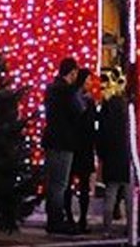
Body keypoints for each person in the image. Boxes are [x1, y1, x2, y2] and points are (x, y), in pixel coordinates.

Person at [42, 56, 82, 234]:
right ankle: (56, 221)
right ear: (72, 72)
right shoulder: (67, 92)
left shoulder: (51, 89)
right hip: (64, 141)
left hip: (51, 139)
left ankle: (52, 217)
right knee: (60, 184)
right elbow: (79, 110)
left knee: (52, 183)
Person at [97, 67, 131, 233]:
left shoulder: (107, 108)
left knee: (110, 193)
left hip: (111, 155)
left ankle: (107, 227)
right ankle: (131, 227)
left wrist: (101, 154)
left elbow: (101, 133)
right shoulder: (129, 110)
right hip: (127, 156)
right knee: (129, 194)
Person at [69, 67, 98, 232]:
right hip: (80, 146)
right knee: (80, 184)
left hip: (81, 146)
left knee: (82, 184)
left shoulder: (85, 99)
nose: (90, 83)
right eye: (88, 80)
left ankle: (80, 219)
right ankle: (77, 219)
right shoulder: (80, 100)